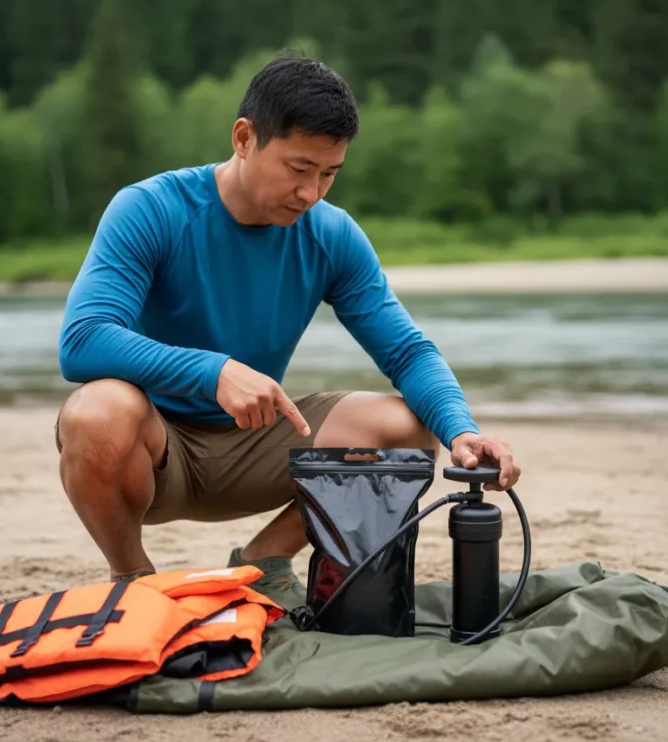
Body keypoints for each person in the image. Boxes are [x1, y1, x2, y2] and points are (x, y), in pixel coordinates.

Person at [54, 53, 521, 611]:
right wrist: (214, 371)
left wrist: (462, 430)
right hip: (154, 451)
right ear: (244, 137)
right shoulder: (150, 209)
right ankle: (133, 578)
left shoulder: (330, 234)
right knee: (95, 411)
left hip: (258, 443)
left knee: (407, 428)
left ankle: (262, 562)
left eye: (329, 174)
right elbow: (82, 339)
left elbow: (405, 350)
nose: (312, 193)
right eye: (299, 169)